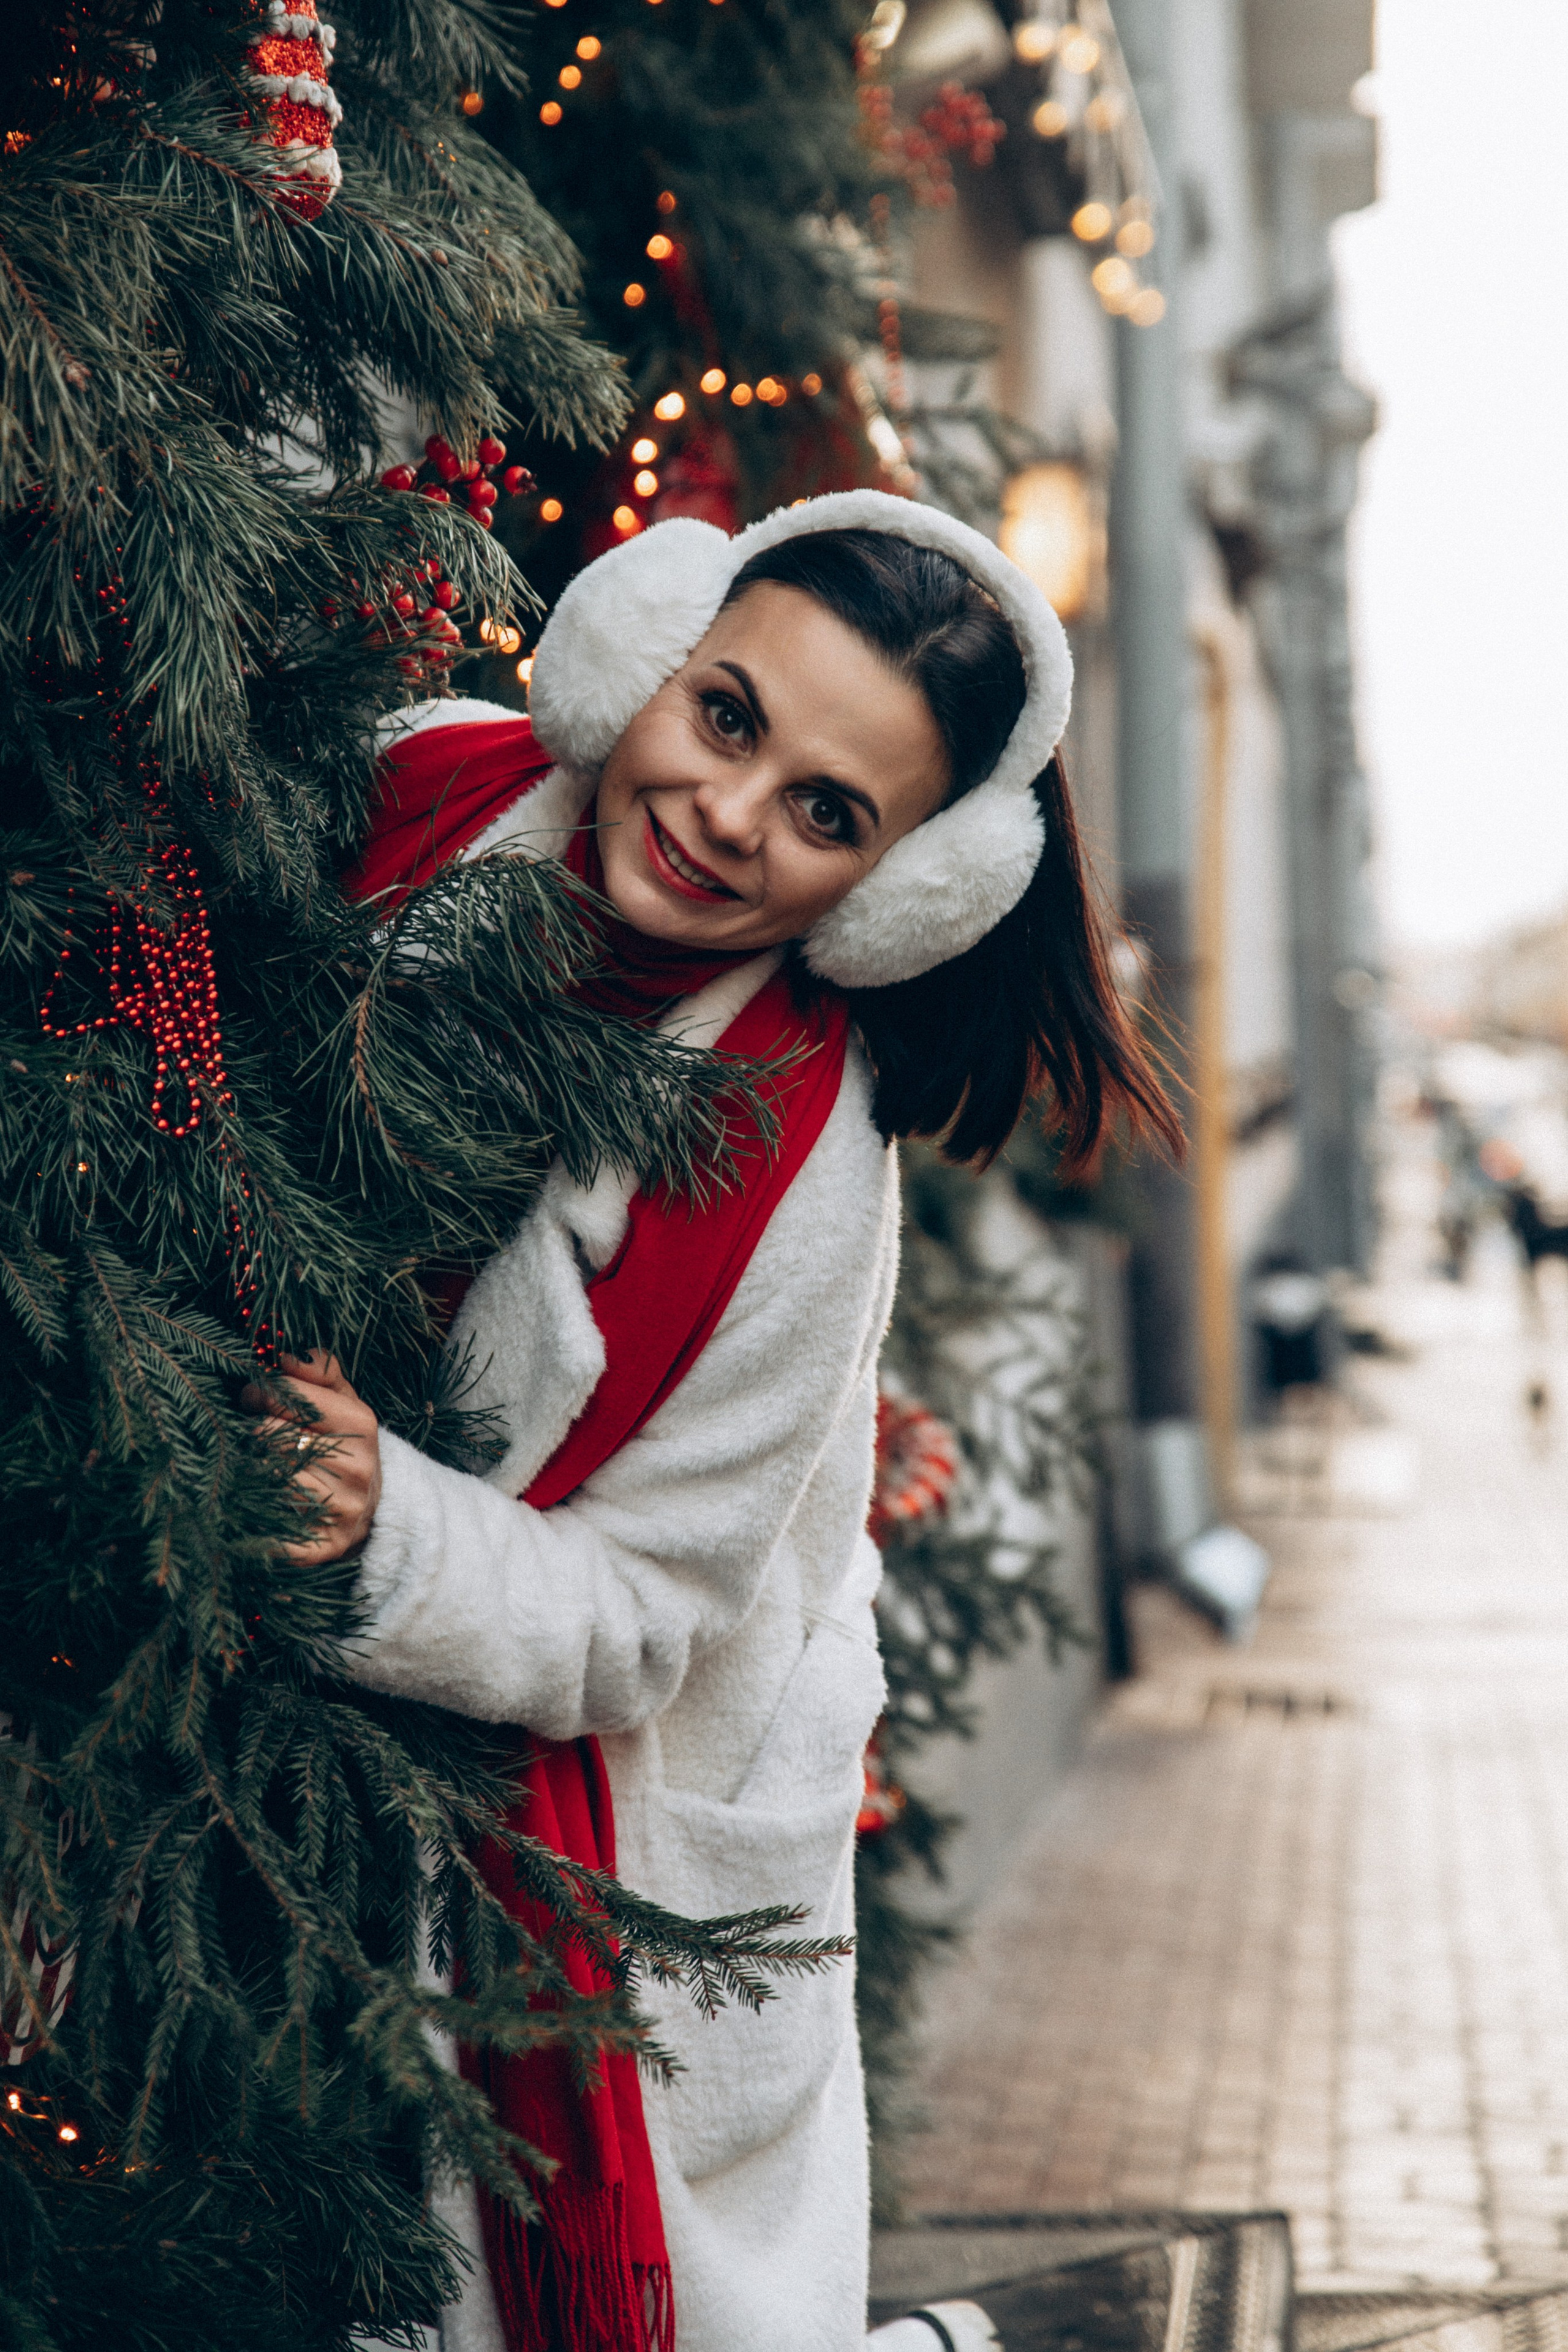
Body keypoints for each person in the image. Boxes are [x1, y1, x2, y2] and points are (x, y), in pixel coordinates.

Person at [257, 491, 1177, 2352]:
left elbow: (642, 1615)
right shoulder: (410, 792)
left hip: (581, 1815)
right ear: (645, 652)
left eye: (829, 813)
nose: (730, 813)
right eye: (727, 714)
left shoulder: (799, 1170)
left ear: (907, 890)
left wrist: (386, 1528)